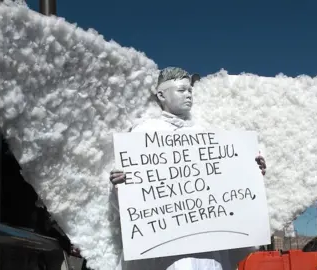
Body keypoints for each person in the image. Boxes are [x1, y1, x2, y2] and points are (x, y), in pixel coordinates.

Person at [109, 67, 267, 270]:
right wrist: (119, 186)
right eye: (182, 90)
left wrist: (252, 171)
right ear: (161, 95)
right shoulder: (142, 134)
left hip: (208, 253)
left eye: (190, 91)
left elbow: (229, 190)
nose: (188, 95)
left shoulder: (208, 136)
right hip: (162, 253)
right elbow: (127, 208)